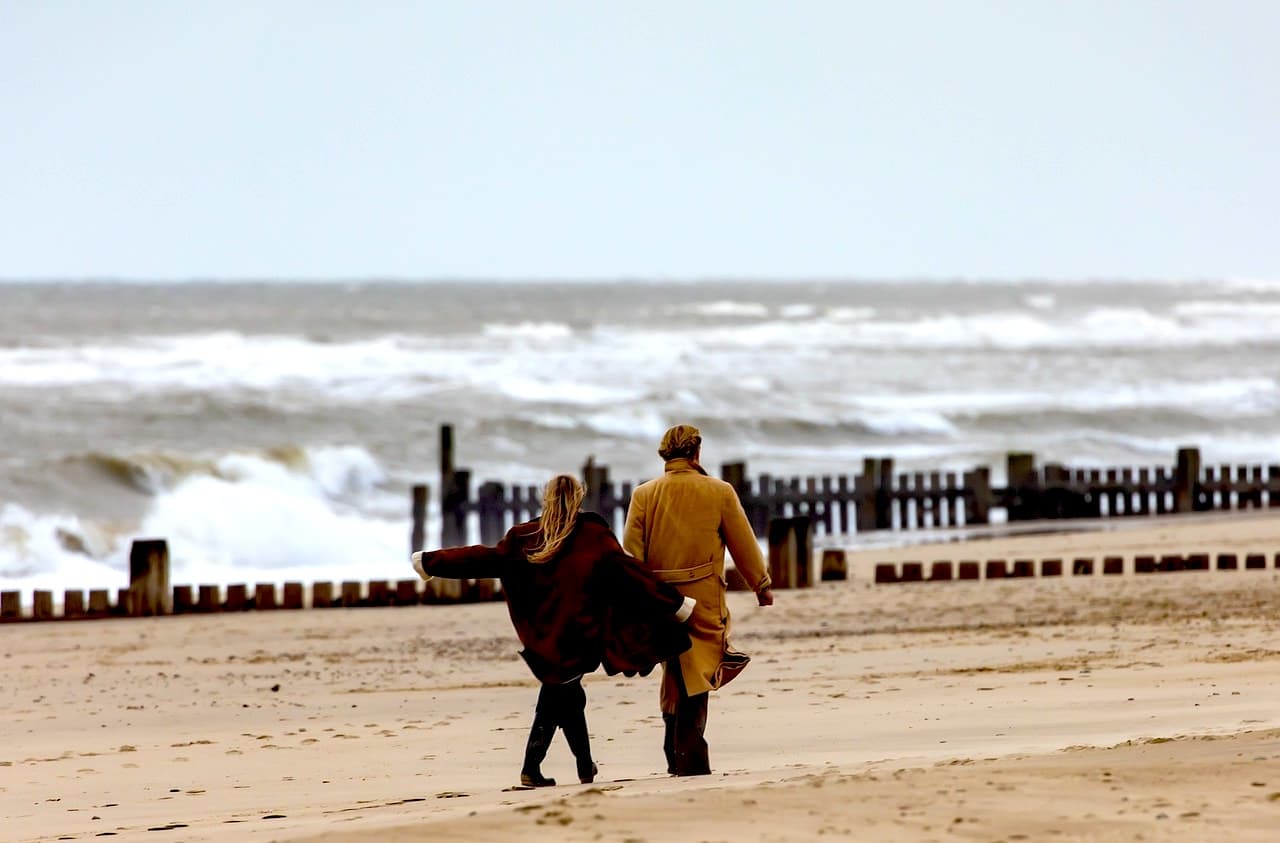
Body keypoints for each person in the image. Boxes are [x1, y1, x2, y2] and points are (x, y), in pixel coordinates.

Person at [411, 474, 694, 788]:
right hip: (581, 636)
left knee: (564, 695)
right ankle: (544, 769)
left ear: (546, 498)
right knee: (564, 698)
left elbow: (483, 559)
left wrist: (431, 562)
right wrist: (675, 603)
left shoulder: (526, 536)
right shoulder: (592, 535)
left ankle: (577, 768)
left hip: (544, 636)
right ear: (579, 497)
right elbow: (630, 573)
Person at [623, 424, 773, 777]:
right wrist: (761, 584)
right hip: (703, 596)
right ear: (696, 453)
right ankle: (690, 756)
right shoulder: (719, 491)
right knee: (699, 670)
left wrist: (635, 602)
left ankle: (674, 753)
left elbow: (631, 555)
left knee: (673, 669)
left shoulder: (644, 495)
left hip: (659, 598)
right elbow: (743, 542)